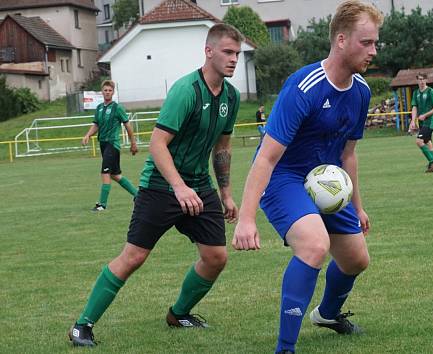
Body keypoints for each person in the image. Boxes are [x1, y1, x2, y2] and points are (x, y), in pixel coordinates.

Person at [68, 23, 243, 347]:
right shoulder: (185, 91)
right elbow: (158, 144)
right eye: (227, 52)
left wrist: (227, 194)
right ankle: (82, 324)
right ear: (209, 51)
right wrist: (178, 187)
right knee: (133, 256)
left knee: (216, 257)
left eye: (237, 53)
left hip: (199, 185)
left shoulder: (231, 97)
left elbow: (222, 147)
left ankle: (179, 313)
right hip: (161, 187)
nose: (234, 59)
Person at [231, 2, 382, 353]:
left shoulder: (361, 91)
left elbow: (348, 155)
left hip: (326, 180)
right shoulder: (304, 86)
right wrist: (246, 219)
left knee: (357, 259)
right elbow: (266, 158)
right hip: (283, 177)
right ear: (341, 40)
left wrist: (358, 207)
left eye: (376, 43)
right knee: (315, 246)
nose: (373, 51)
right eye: (366, 42)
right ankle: (285, 348)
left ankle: (327, 315)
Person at [82, 80, 138, 211]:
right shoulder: (100, 108)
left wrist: (133, 143)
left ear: (113, 92)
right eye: (105, 90)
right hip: (103, 144)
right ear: (102, 91)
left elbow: (127, 125)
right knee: (115, 175)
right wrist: (87, 135)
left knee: (105, 173)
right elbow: (96, 124)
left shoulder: (117, 108)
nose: (107, 92)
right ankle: (138, 195)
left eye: (110, 90)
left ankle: (102, 204)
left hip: (112, 144)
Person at [409, 73, 433, 173]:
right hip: (422, 122)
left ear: (426, 80)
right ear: (417, 81)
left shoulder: (431, 91)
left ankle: (432, 161)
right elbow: (414, 107)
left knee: (419, 141)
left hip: (429, 121)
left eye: (423, 79)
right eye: (420, 79)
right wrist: (413, 121)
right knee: (428, 142)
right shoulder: (415, 93)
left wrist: (425, 115)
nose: (422, 81)